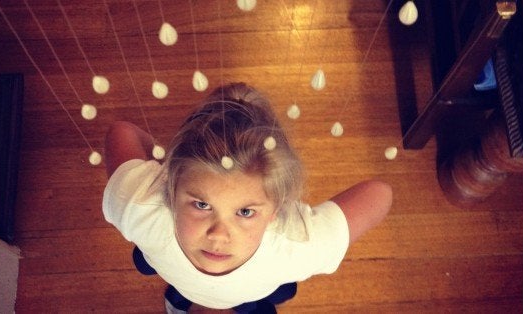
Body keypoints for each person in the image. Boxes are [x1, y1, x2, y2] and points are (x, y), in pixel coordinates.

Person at [102, 82, 392, 313]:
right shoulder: (137, 205)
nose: (219, 236)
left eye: (245, 212)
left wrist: (162, 164)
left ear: (276, 208)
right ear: (172, 187)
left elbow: (122, 131)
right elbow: (381, 194)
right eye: (202, 204)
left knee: (252, 300)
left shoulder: (300, 245)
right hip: (179, 274)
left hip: (248, 287)